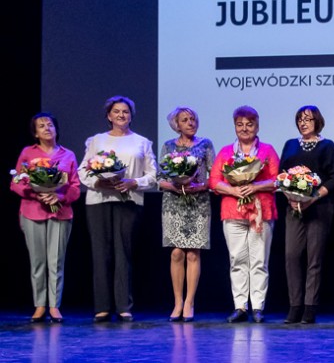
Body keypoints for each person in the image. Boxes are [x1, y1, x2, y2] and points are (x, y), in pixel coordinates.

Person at [78, 95, 157, 323]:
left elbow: (153, 175)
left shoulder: (142, 142)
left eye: (125, 111)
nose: (121, 115)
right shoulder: (97, 140)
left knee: (124, 253)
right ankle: (102, 307)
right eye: (117, 111)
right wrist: (98, 182)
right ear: (108, 116)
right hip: (99, 200)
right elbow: (83, 170)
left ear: (131, 116)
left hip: (129, 201)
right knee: (100, 253)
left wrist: (135, 182)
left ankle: (124, 306)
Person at [210, 105, 279, 324]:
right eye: (240, 124)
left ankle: (258, 307)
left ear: (257, 126)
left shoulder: (267, 150)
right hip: (233, 211)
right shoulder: (226, 152)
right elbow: (214, 181)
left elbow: (277, 180)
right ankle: (240, 306)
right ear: (234, 127)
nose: (244, 128)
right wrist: (233, 190)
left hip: (261, 211)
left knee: (259, 261)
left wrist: (255, 186)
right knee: (237, 260)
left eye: (249, 124)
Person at [10, 112, 81, 323]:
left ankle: (54, 306)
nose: (47, 128)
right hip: (32, 211)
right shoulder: (28, 153)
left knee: (56, 261)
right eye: (41, 126)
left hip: (60, 212)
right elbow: (16, 182)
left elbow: (75, 186)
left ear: (56, 129)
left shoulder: (68, 155)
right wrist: (36, 193)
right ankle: (39, 305)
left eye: (50, 125)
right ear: (35, 133)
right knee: (38, 261)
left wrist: (59, 196)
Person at [279, 105, 334, 324]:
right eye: (300, 119)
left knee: (314, 259)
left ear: (317, 122)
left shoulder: (327, 145)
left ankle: (309, 307)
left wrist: (313, 197)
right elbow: (282, 175)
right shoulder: (290, 144)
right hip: (293, 207)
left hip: (319, 208)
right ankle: (294, 305)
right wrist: (290, 197)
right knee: (291, 256)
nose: (303, 123)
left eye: (308, 119)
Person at [158, 106, 215, 322]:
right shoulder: (168, 146)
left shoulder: (205, 144)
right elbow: (160, 178)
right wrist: (175, 186)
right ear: (177, 125)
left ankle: (190, 302)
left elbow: (214, 176)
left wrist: (200, 186)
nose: (190, 123)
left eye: (193, 119)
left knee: (192, 254)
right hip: (174, 203)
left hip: (198, 202)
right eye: (185, 120)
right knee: (176, 253)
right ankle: (178, 302)